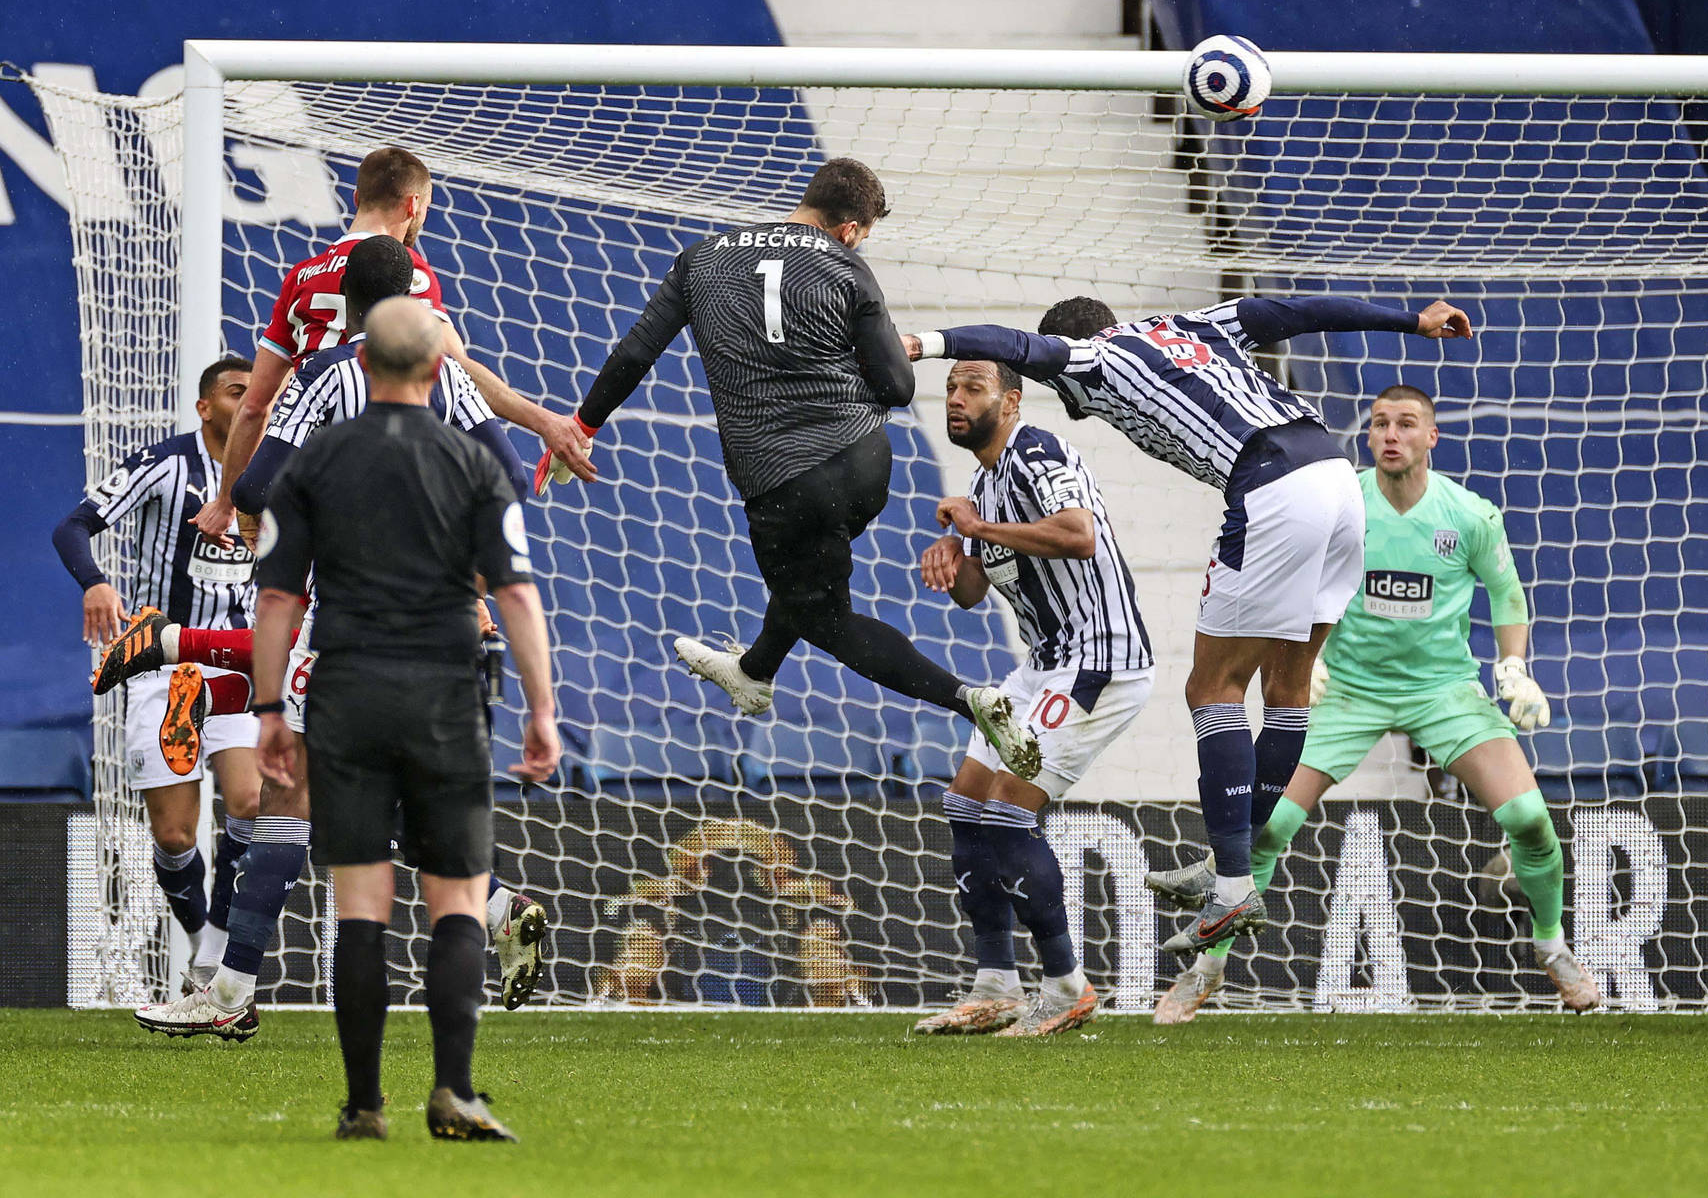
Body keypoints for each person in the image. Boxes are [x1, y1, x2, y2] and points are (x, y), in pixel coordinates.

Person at [904, 292, 1471, 953]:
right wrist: (1410, 319)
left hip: (1270, 485)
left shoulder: (1094, 358)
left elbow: (1016, 346)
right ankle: (1234, 863)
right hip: (1340, 476)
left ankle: (1231, 886)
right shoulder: (1194, 325)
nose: (1076, 405)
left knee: (1211, 688)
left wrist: (923, 344)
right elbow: (1292, 310)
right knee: (1287, 687)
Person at [125, 239, 547, 1039]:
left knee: (293, 804)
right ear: (417, 300)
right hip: (444, 632)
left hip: (348, 622)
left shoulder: (324, 375)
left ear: (343, 306)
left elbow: (256, 485)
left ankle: (229, 994)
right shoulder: (450, 376)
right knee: (397, 804)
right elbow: (511, 481)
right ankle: (492, 919)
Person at [546, 157, 1038, 777]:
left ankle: (970, 701)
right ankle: (754, 672)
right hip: (864, 462)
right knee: (809, 579)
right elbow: (897, 387)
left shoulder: (701, 259)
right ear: (851, 229)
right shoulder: (847, 266)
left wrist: (584, 426)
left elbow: (637, 351)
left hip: (782, 476)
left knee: (824, 615)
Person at [1146, 385, 1599, 1022]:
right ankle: (1207, 969)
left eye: (1407, 424)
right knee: (1264, 829)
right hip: (1348, 692)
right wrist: (1310, 660)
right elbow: (1291, 581)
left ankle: (1551, 946)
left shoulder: (1470, 516)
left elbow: (1507, 594)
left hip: (1442, 690)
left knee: (1528, 819)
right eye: (1381, 423)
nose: (1391, 434)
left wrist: (1514, 667)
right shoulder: (1344, 504)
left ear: (1431, 437)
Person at [250, 295, 557, 1141]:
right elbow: (515, 593)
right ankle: (453, 1091)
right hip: (445, 696)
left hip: (346, 690)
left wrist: (270, 707)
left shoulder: (313, 462)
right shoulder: (474, 462)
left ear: (360, 360)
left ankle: (362, 1106)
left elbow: (276, 599)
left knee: (361, 903)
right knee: (455, 899)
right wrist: (542, 706)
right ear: (436, 367)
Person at [911, 360, 1154, 1038]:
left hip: (1099, 659)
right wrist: (953, 556)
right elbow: (972, 593)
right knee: (965, 805)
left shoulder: (1038, 452)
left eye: (973, 388)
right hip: (1040, 667)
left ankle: (1067, 985)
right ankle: (995, 984)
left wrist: (978, 529)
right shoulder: (982, 482)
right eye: (950, 388)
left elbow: (1079, 534)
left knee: (1008, 810)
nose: (956, 399)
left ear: (1011, 402)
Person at [189, 145, 592, 548]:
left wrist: (225, 503)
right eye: (426, 208)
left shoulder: (301, 277)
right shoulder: (409, 273)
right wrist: (546, 423)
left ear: (356, 198)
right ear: (414, 204)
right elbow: (457, 370)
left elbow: (255, 406)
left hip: (308, 485)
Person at [51, 357, 262, 991]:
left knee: (252, 803)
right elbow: (72, 526)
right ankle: (199, 942)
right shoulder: (165, 465)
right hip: (160, 664)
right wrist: (95, 582)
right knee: (173, 836)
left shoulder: (272, 471)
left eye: (255, 391)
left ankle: (215, 954)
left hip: (236, 661)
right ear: (205, 406)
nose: (249, 401)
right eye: (235, 391)